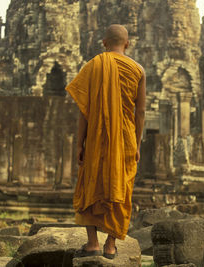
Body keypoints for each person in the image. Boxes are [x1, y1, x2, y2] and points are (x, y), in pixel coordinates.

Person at [65, 24, 146, 259]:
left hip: (96, 138)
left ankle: (92, 243)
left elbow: (84, 110)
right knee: (120, 187)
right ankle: (110, 245)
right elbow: (139, 113)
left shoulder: (93, 65)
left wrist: (80, 143)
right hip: (126, 139)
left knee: (91, 183)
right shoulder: (138, 69)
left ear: (104, 42)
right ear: (127, 44)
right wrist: (137, 145)